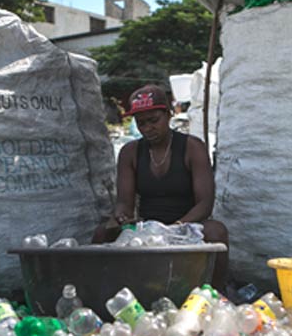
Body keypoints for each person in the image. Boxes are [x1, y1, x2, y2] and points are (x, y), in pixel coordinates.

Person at [93, 84, 229, 287]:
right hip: (149, 227)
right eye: (141, 123)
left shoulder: (192, 147)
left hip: (187, 225)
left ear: (168, 115)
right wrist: (120, 217)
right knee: (101, 233)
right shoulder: (130, 152)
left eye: (154, 121)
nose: (148, 128)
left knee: (216, 231)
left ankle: (217, 294)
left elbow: (205, 203)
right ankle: (102, 292)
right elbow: (124, 202)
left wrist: (174, 229)